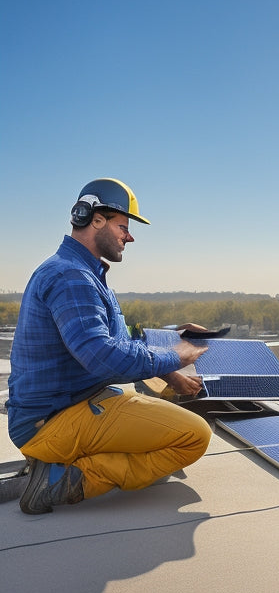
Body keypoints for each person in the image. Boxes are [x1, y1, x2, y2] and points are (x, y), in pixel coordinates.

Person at [6, 178, 212, 515]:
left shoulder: (82, 273)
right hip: (52, 422)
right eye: (123, 226)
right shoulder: (71, 277)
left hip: (71, 409)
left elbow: (117, 339)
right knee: (195, 436)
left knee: (161, 407)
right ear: (94, 218)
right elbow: (101, 355)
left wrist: (171, 351)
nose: (129, 237)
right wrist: (176, 355)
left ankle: (60, 462)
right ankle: (65, 479)